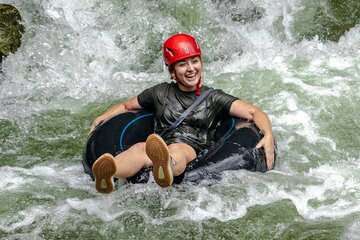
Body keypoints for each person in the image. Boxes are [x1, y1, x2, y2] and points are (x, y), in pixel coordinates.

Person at [90, 33, 275, 194]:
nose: (191, 68)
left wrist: (267, 134)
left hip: (192, 149)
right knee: (139, 149)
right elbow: (127, 106)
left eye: (195, 61)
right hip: (159, 147)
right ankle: (109, 171)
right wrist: (103, 117)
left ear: (201, 63)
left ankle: (166, 168)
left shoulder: (214, 98)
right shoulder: (159, 92)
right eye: (182, 64)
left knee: (178, 150)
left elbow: (253, 112)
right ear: (172, 71)